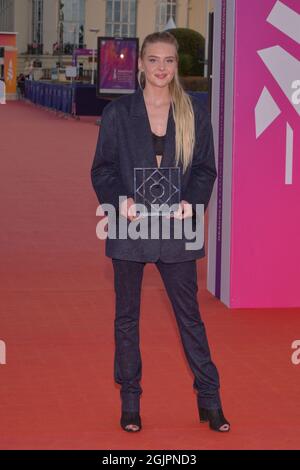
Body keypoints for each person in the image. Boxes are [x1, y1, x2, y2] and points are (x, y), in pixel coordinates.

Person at [91, 32, 230, 433]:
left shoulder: (193, 113)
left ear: (176, 65)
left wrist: (193, 201)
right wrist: (120, 200)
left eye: (168, 61)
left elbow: (205, 169)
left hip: (176, 231)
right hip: (130, 228)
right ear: (140, 64)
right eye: (153, 60)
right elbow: (101, 169)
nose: (161, 68)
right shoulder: (117, 114)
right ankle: (130, 401)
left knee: (190, 319)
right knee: (127, 319)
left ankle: (210, 398)